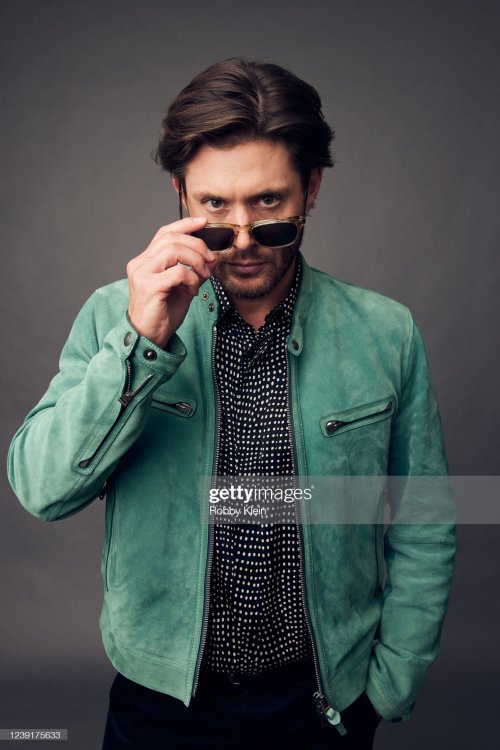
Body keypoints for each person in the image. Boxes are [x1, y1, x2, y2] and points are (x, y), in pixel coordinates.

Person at [7, 58, 456, 749]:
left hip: (320, 701)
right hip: (161, 705)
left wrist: (391, 683)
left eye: (269, 205)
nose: (242, 237)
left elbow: (423, 516)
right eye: (215, 207)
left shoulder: (385, 332)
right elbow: (42, 489)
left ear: (311, 189)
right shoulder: (114, 316)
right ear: (181, 194)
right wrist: (140, 341)